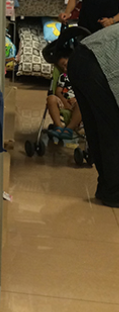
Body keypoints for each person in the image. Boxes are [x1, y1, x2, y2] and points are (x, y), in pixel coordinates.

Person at [69, 25, 119, 207]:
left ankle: (106, 187)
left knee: (96, 129)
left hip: (81, 56)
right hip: (98, 65)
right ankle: (113, 193)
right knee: (112, 132)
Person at [46, 55, 82, 141]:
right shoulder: (63, 76)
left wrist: (76, 99)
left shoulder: (81, 77)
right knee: (51, 98)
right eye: (62, 68)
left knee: (82, 103)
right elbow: (58, 91)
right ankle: (59, 127)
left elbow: (85, 92)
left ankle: (69, 129)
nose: (65, 69)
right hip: (63, 101)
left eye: (65, 65)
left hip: (77, 103)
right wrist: (65, 101)